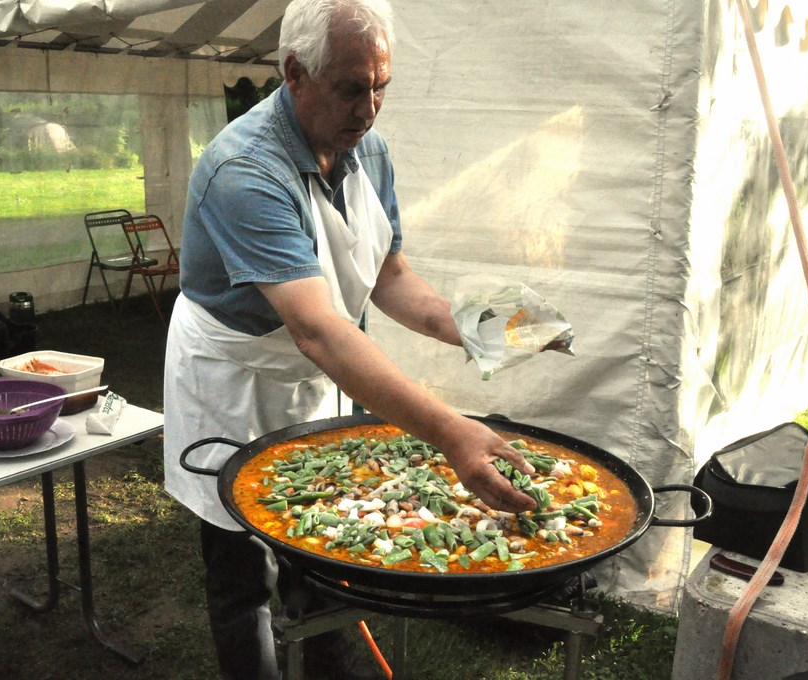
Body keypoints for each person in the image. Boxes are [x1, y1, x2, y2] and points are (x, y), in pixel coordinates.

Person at [163, 0, 537, 677]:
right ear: (295, 73)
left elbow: (391, 279)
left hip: (315, 369)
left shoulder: (368, 152)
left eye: (381, 85)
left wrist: (498, 331)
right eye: (351, 88)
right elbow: (319, 330)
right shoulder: (243, 170)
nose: (369, 108)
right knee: (240, 571)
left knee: (328, 552)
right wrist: (454, 434)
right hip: (233, 379)